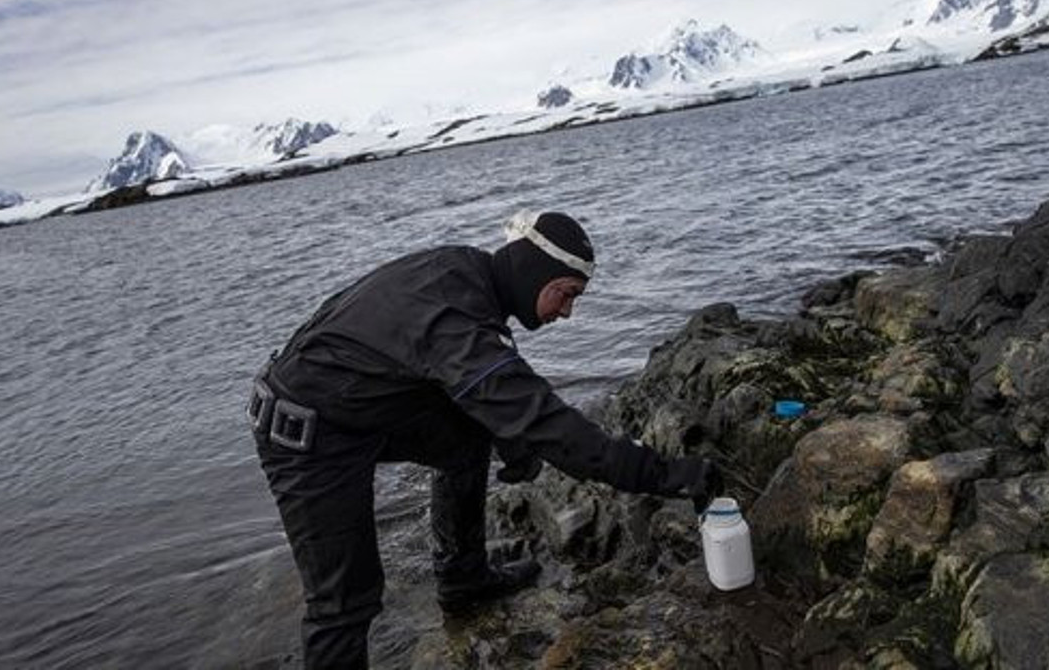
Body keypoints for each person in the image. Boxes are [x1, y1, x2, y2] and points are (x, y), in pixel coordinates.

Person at [248, 210, 722, 669]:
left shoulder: (466, 271)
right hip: (307, 433)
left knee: (466, 438)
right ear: (537, 274)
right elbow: (553, 428)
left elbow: (471, 392)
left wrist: (510, 437)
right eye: (566, 294)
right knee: (345, 600)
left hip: (358, 401)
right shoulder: (458, 318)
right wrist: (666, 475)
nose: (568, 313)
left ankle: (462, 580)